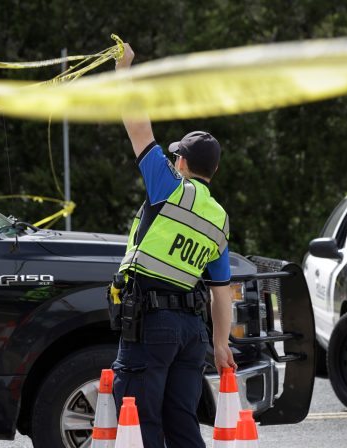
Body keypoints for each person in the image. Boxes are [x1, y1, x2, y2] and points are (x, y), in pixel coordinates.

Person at [111, 43, 237, 448]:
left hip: (153, 324)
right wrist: (220, 344)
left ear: (180, 162)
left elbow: (138, 127)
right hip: (191, 333)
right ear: (213, 171)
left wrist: (124, 70)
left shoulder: (168, 187)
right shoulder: (219, 219)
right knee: (181, 422)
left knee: (138, 417)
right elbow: (221, 293)